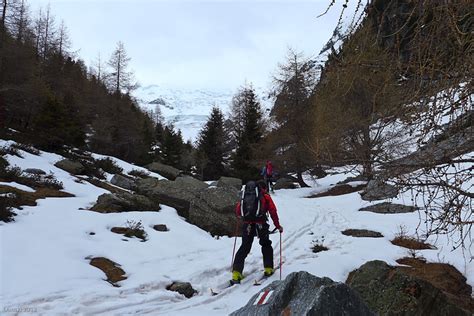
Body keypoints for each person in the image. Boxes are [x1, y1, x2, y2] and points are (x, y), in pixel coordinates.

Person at [231, 180, 283, 284]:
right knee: (265, 244)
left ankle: (236, 273)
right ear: (263, 188)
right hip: (261, 223)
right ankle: (268, 268)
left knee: (245, 246)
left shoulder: (245, 195)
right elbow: (273, 211)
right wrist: (278, 226)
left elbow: (238, 210)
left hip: (247, 224)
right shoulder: (265, 196)